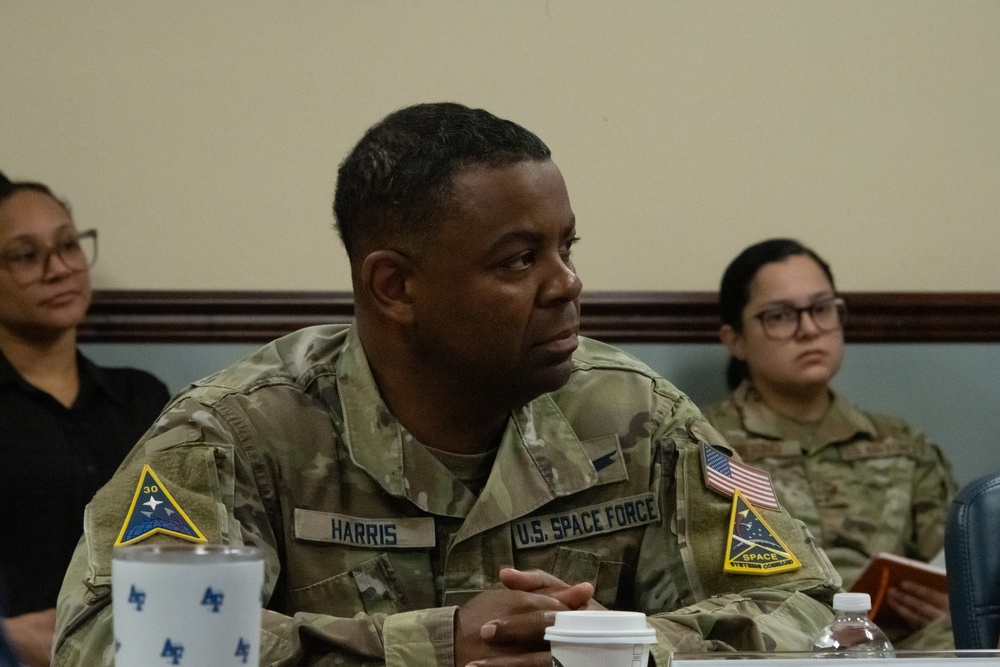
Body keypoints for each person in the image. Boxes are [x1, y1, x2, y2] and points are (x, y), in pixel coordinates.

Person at [53, 104, 841, 667]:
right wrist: (430, 646)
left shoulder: (643, 413)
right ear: (395, 286)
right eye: (518, 260)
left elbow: (813, 606)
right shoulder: (231, 433)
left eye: (567, 246)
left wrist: (620, 645)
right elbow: (109, 641)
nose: (568, 284)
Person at [702, 238, 958, 649]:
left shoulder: (902, 446)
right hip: (772, 645)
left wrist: (951, 605)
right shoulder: (705, 444)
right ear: (735, 340)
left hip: (893, 648)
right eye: (780, 316)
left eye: (821, 309)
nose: (808, 330)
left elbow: (953, 570)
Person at [0, 175, 170, 667]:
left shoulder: (141, 398)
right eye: (27, 256)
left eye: (69, 245)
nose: (59, 269)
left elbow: (178, 539)